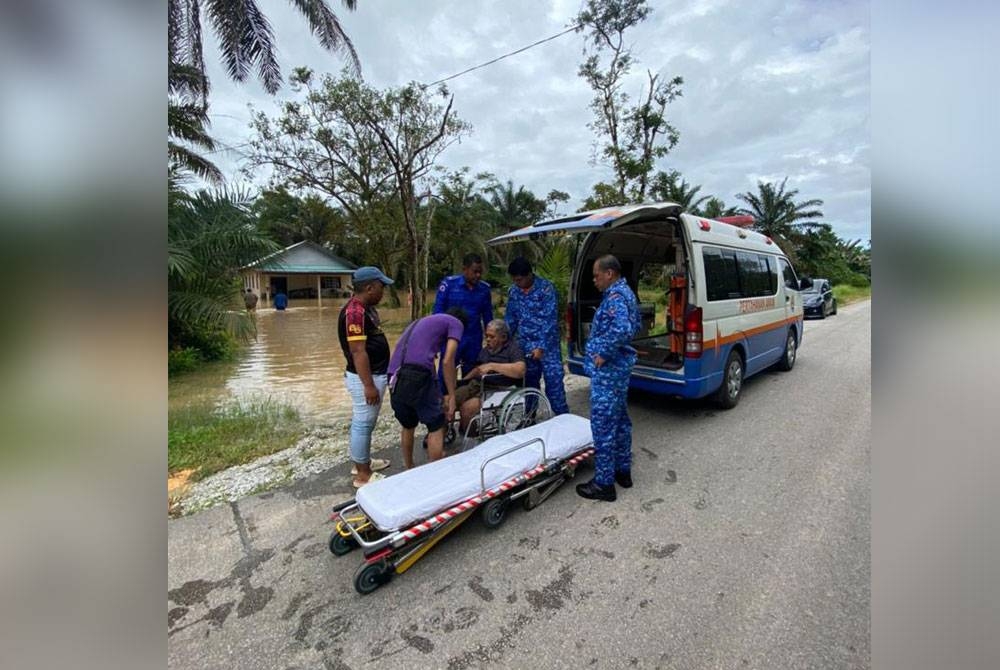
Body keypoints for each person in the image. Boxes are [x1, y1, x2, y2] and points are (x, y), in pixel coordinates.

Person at [577, 255, 641, 502]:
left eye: (596, 275)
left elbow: (622, 329)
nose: (594, 280)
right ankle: (622, 471)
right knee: (621, 421)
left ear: (610, 273)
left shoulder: (615, 298)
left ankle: (604, 484)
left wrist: (602, 353)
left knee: (603, 425)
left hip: (610, 371)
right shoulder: (625, 293)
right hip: (619, 371)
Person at [388, 307, 467, 469]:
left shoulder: (419, 323)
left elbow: (427, 367)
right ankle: (434, 470)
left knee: (408, 425)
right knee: (436, 424)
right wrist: (451, 396)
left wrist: (438, 393)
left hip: (394, 376)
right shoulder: (456, 323)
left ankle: (409, 467)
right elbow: (448, 360)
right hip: (416, 375)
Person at [338, 267, 395, 487]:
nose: (384, 291)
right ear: (370, 287)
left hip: (374, 374)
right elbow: (358, 351)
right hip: (366, 377)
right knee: (363, 424)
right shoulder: (355, 312)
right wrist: (369, 385)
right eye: (382, 287)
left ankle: (363, 463)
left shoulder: (366, 308)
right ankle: (363, 475)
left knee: (365, 423)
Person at [504, 257, 569, 415]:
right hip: (525, 346)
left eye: (519, 279)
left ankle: (563, 420)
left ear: (529, 275)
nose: (517, 283)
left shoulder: (546, 289)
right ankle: (529, 418)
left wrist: (540, 346)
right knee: (529, 386)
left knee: (554, 387)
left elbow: (549, 320)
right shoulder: (514, 291)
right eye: (514, 280)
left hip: (548, 348)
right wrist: (504, 341)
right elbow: (510, 319)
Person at [453, 319, 527, 435]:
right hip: (477, 385)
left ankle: (471, 437)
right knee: (447, 401)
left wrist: (493, 366)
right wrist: (463, 381)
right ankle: (440, 435)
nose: (487, 339)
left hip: (497, 389)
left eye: (492, 337)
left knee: (467, 408)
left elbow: (520, 370)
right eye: (486, 336)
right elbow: (478, 368)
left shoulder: (513, 349)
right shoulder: (486, 350)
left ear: (503, 337)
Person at [432, 253, 494, 379]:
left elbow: (488, 317)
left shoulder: (484, 289)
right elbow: (437, 314)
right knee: (446, 374)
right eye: (475, 271)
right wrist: (435, 340)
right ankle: (445, 398)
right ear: (464, 269)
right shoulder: (449, 285)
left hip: (473, 339)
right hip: (451, 338)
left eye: (480, 272)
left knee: (472, 377)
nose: (478, 275)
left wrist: (490, 339)